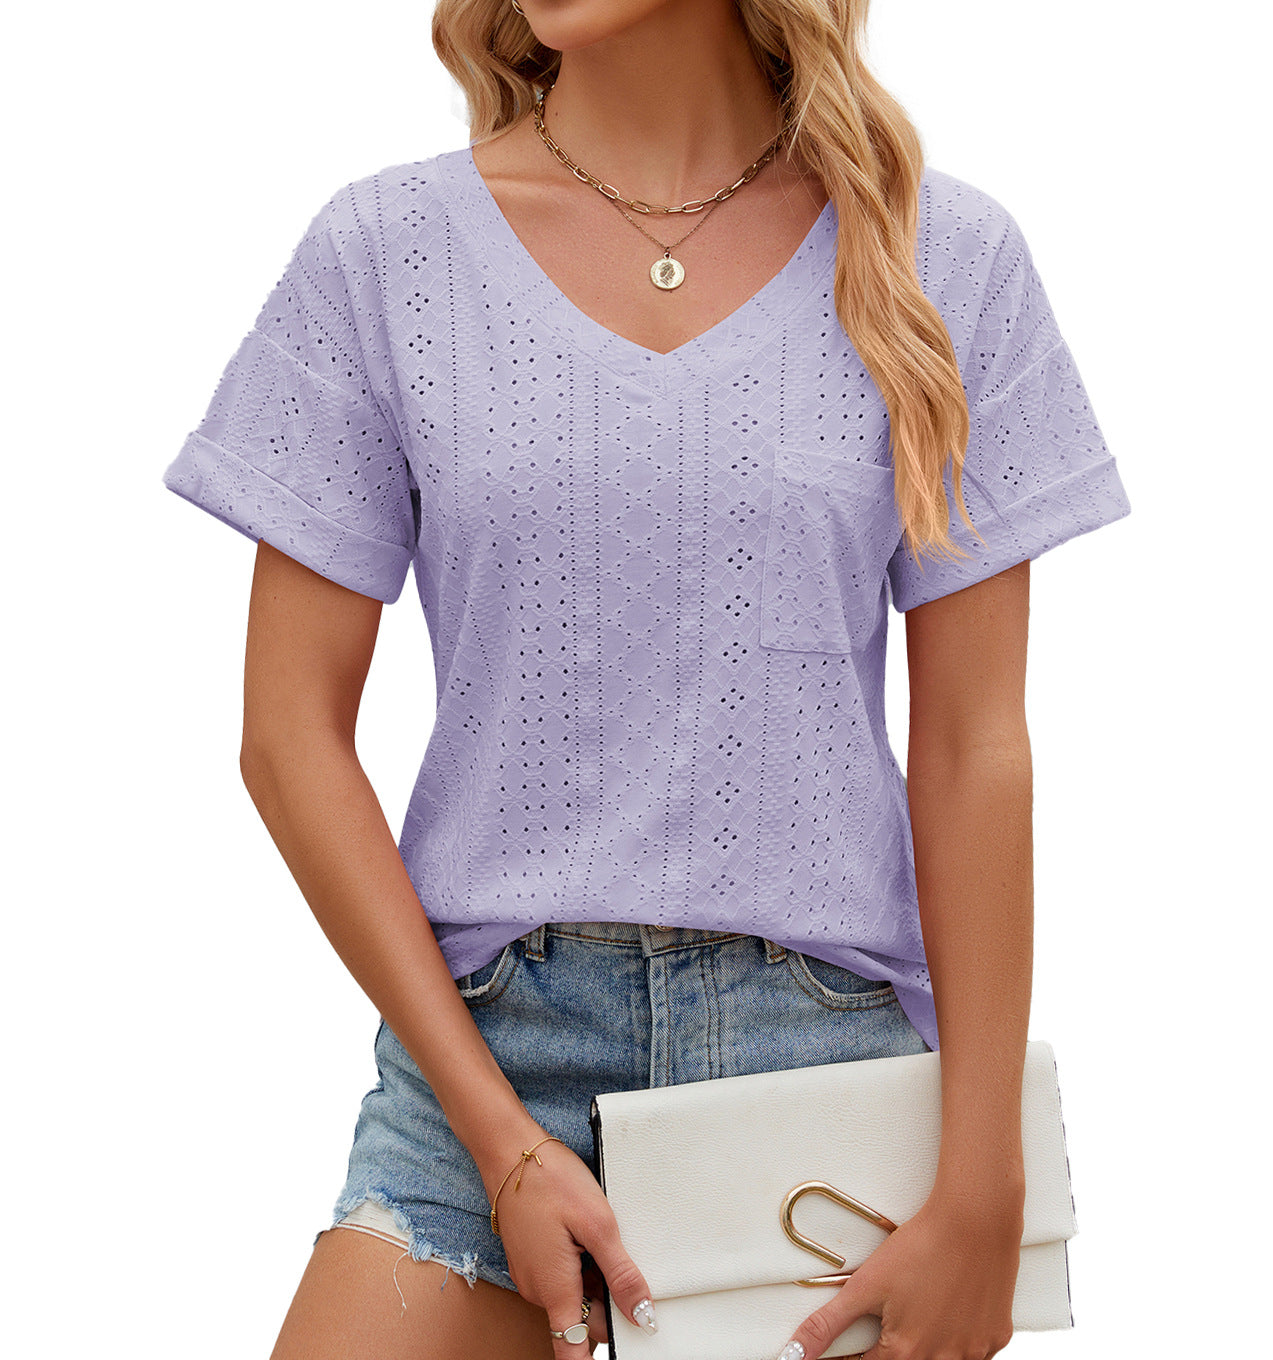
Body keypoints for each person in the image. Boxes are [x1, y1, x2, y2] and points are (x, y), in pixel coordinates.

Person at [161, 2, 1131, 1357]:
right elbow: (288, 736)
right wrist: (502, 1144)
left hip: (823, 1077)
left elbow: (976, 745)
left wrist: (982, 1182)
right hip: (487, 1063)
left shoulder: (943, 257)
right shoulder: (384, 254)